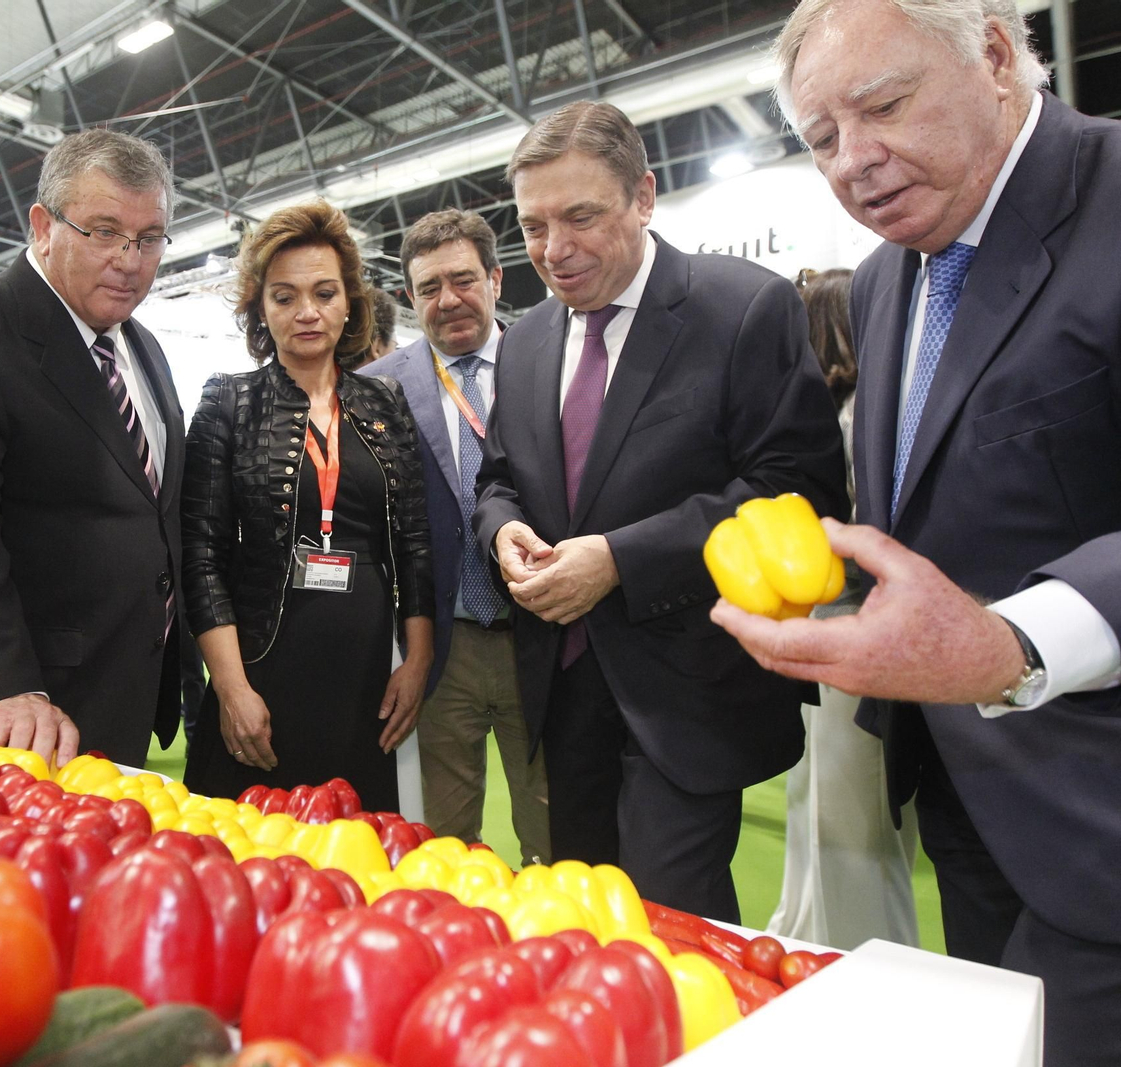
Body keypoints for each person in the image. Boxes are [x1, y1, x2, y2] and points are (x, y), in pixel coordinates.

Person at [714, 1, 1121, 1059]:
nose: (853, 161)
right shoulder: (891, 275)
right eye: (820, 139)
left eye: (884, 106)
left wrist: (1011, 641)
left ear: (994, 53)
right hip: (963, 790)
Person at [472, 100, 847, 921]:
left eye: (580, 217)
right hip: (562, 689)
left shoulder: (741, 308)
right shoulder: (525, 342)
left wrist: (620, 559)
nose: (554, 250)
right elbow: (498, 477)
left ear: (643, 196)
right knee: (583, 918)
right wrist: (502, 530)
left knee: (673, 925)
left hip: (687, 688)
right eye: (533, 226)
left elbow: (798, 489)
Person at [0, 129, 185, 768]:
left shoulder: (143, 347)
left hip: (126, 686)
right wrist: (6, 687)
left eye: (149, 238)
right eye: (104, 232)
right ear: (43, 226)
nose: (130, 260)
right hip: (24, 715)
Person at [181, 201, 435, 812]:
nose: (307, 312)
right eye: (284, 296)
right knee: (247, 846)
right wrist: (231, 689)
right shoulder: (227, 402)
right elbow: (200, 556)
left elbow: (414, 544)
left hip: (366, 674)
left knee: (357, 844)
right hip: (262, 671)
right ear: (260, 308)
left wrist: (418, 660)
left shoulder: (385, 401)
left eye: (324, 293)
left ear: (349, 302)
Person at [364, 209, 550, 864]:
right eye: (429, 287)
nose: (448, 299)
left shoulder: (550, 361)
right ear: (409, 298)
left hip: (542, 638)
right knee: (443, 842)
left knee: (554, 836)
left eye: (463, 279)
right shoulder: (377, 387)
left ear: (496, 279)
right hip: (442, 649)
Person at [767, 268, 919, 950]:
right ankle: (808, 935)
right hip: (837, 631)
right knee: (824, 808)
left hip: (855, 629)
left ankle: (862, 957)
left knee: (851, 820)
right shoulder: (849, 414)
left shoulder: (855, 419)